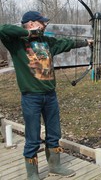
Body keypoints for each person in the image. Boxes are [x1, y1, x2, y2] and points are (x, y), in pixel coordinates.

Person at [0, 11, 93, 180]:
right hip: (31, 97)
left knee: (54, 133)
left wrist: (86, 42)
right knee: (32, 137)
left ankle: (55, 166)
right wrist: (28, 33)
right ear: (30, 23)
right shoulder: (16, 43)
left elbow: (66, 43)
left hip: (50, 96)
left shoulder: (46, 42)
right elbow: (2, 29)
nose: (44, 25)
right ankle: (32, 175)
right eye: (41, 23)